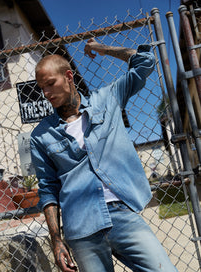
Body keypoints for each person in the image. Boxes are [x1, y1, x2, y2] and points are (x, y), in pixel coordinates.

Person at [30, 38, 177, 272]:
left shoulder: (107, 99)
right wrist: (56, 240)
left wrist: (102, 48)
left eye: (50, 84)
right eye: (42, 88)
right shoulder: (41, 135)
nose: (46, 93)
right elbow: (48, 189)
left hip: (123, 215)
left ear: (69, 76)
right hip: (81, 227)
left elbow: (145, 62)